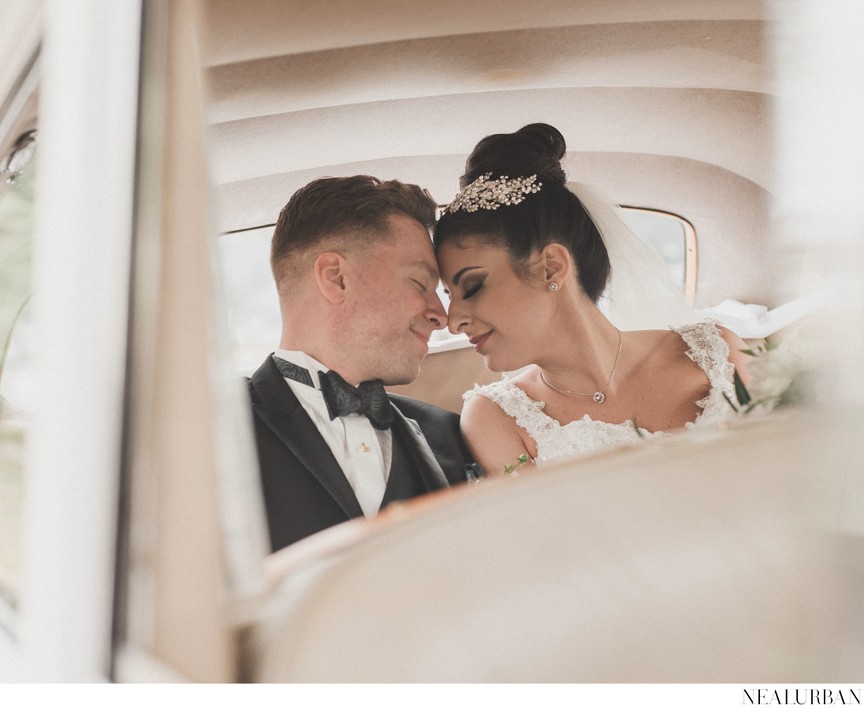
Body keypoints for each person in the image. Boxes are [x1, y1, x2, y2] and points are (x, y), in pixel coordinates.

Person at [434, 123, 751, 472]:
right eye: (448, 294)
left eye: (473, 286)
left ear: (551, 268)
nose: (453, 320)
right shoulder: (495, 417)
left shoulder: (716, 352)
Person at [248, 175, 479, 553]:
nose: (443, 316)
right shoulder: (208, 434)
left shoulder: (450, 433)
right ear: (336, 278)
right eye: (421, 283)